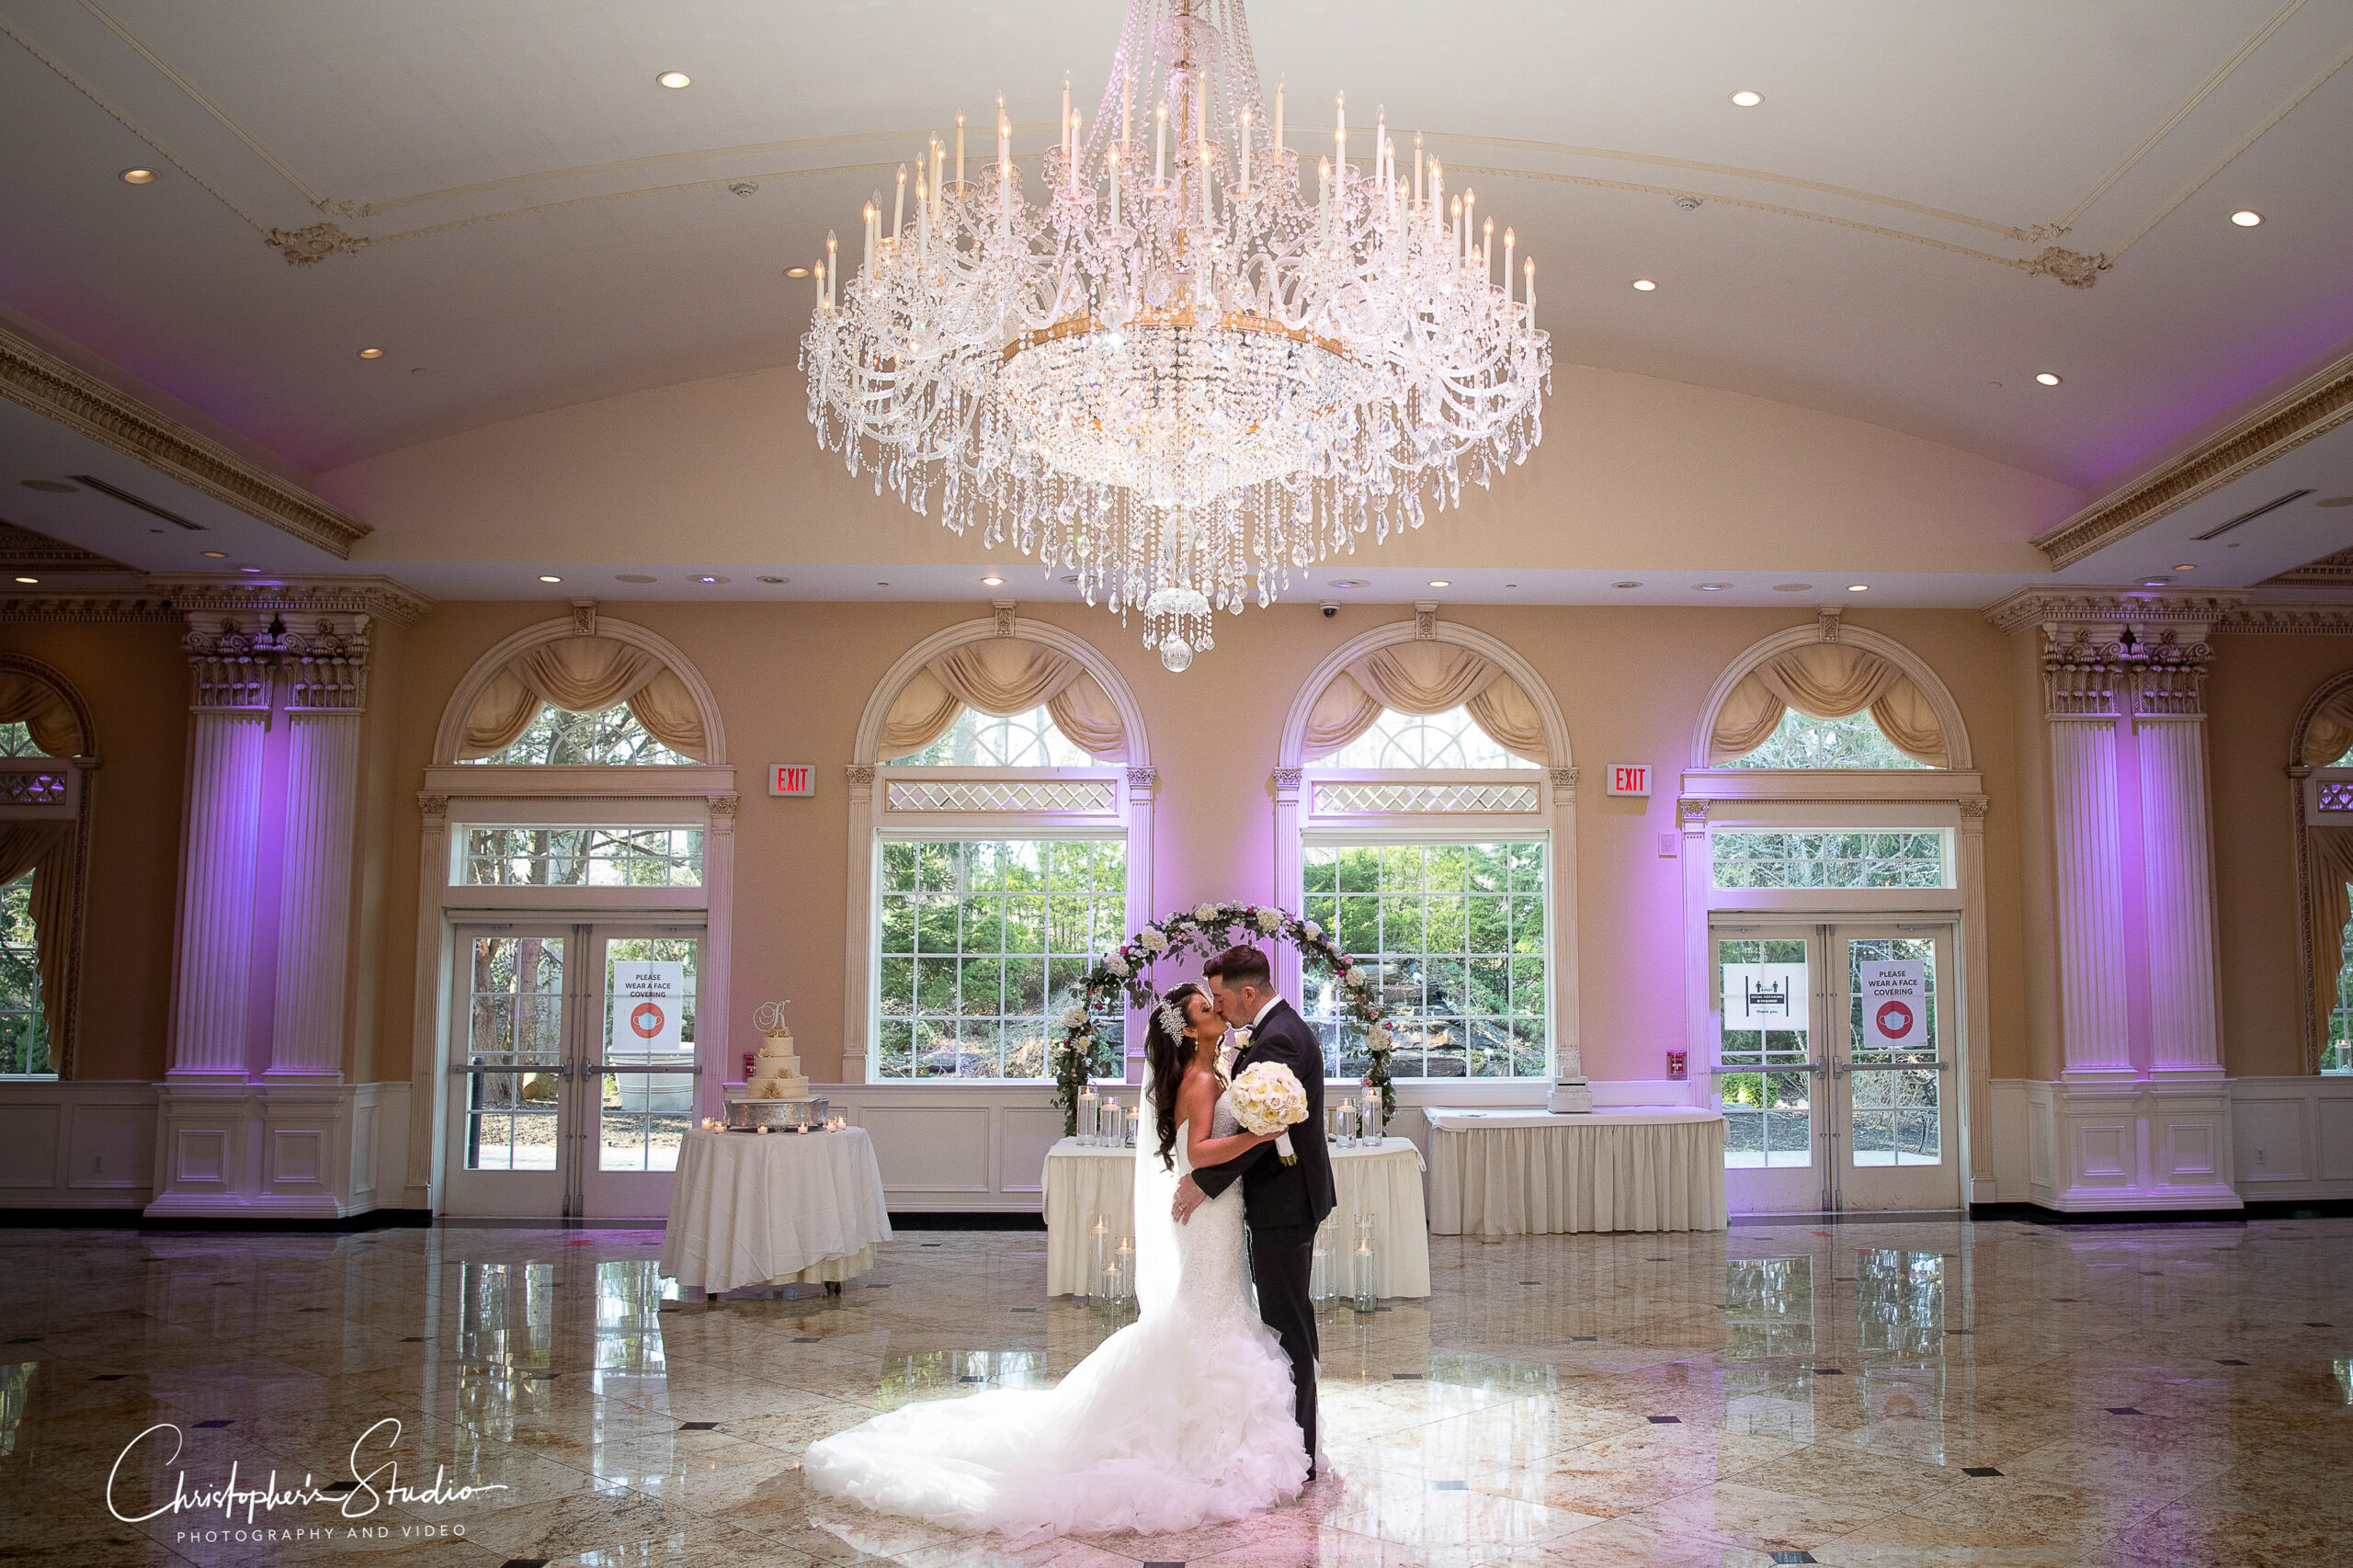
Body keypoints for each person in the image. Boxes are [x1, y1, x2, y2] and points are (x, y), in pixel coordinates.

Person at [801, 982, 1311, 1540]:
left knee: (1217, 1306)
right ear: (1189, 1030)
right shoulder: (1199, 1078)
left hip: (1216, 1212)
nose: (1218, 1011)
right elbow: (1199, 1153)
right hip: (1209, 1214)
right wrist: (1263, 1136)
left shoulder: (1213, 1069)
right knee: (1210, 1311)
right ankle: (1197, 1437)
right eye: (1206, 1008)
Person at [1174, 943, 1336, 1475]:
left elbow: (1266, 1129)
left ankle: (1303, 1454)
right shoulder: (1271, 1032)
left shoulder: (1281, 1038)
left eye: (1220, 997)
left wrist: (1206, 1180)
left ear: (1248, 992)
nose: (1218, 1008)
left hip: (1286, 1202)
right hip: (1276, 1199)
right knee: (1284, 1321)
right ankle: (1293, 1443)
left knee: (1287, 1325)